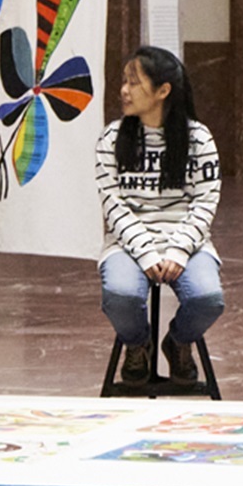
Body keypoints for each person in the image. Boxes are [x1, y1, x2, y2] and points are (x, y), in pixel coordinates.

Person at [96, 45, 224, 385]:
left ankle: (179, 342)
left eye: (134, 83)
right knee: (120, 297)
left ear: (163, 91)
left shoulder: (199, 138)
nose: (124, 90)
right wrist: (147, 251)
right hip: (128, 244)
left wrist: (179, 249)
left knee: (207, 299)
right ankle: (137, 345)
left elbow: (205, 203)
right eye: (123, 81)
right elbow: (112, 205)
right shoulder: (111, 139)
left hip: (187, 244)